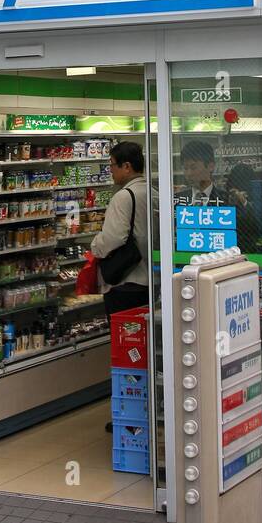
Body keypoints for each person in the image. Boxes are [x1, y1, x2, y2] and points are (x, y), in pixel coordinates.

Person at [90, 141, 150, 433]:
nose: (110, 171)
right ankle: (148, 409)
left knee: (125, 352)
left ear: (127, 166)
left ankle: (128, 415)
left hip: (125, 285)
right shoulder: (153, 191)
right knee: (146, 350)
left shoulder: (123, 197)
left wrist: (95, 246)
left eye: (112, 165)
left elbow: (113, 237)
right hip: (149, 285)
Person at [176, 138, 222, 205]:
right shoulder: (177, 200)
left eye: (193, 168)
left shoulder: (227, 200)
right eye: (185, 168)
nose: (189, 174)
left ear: (210, 167)